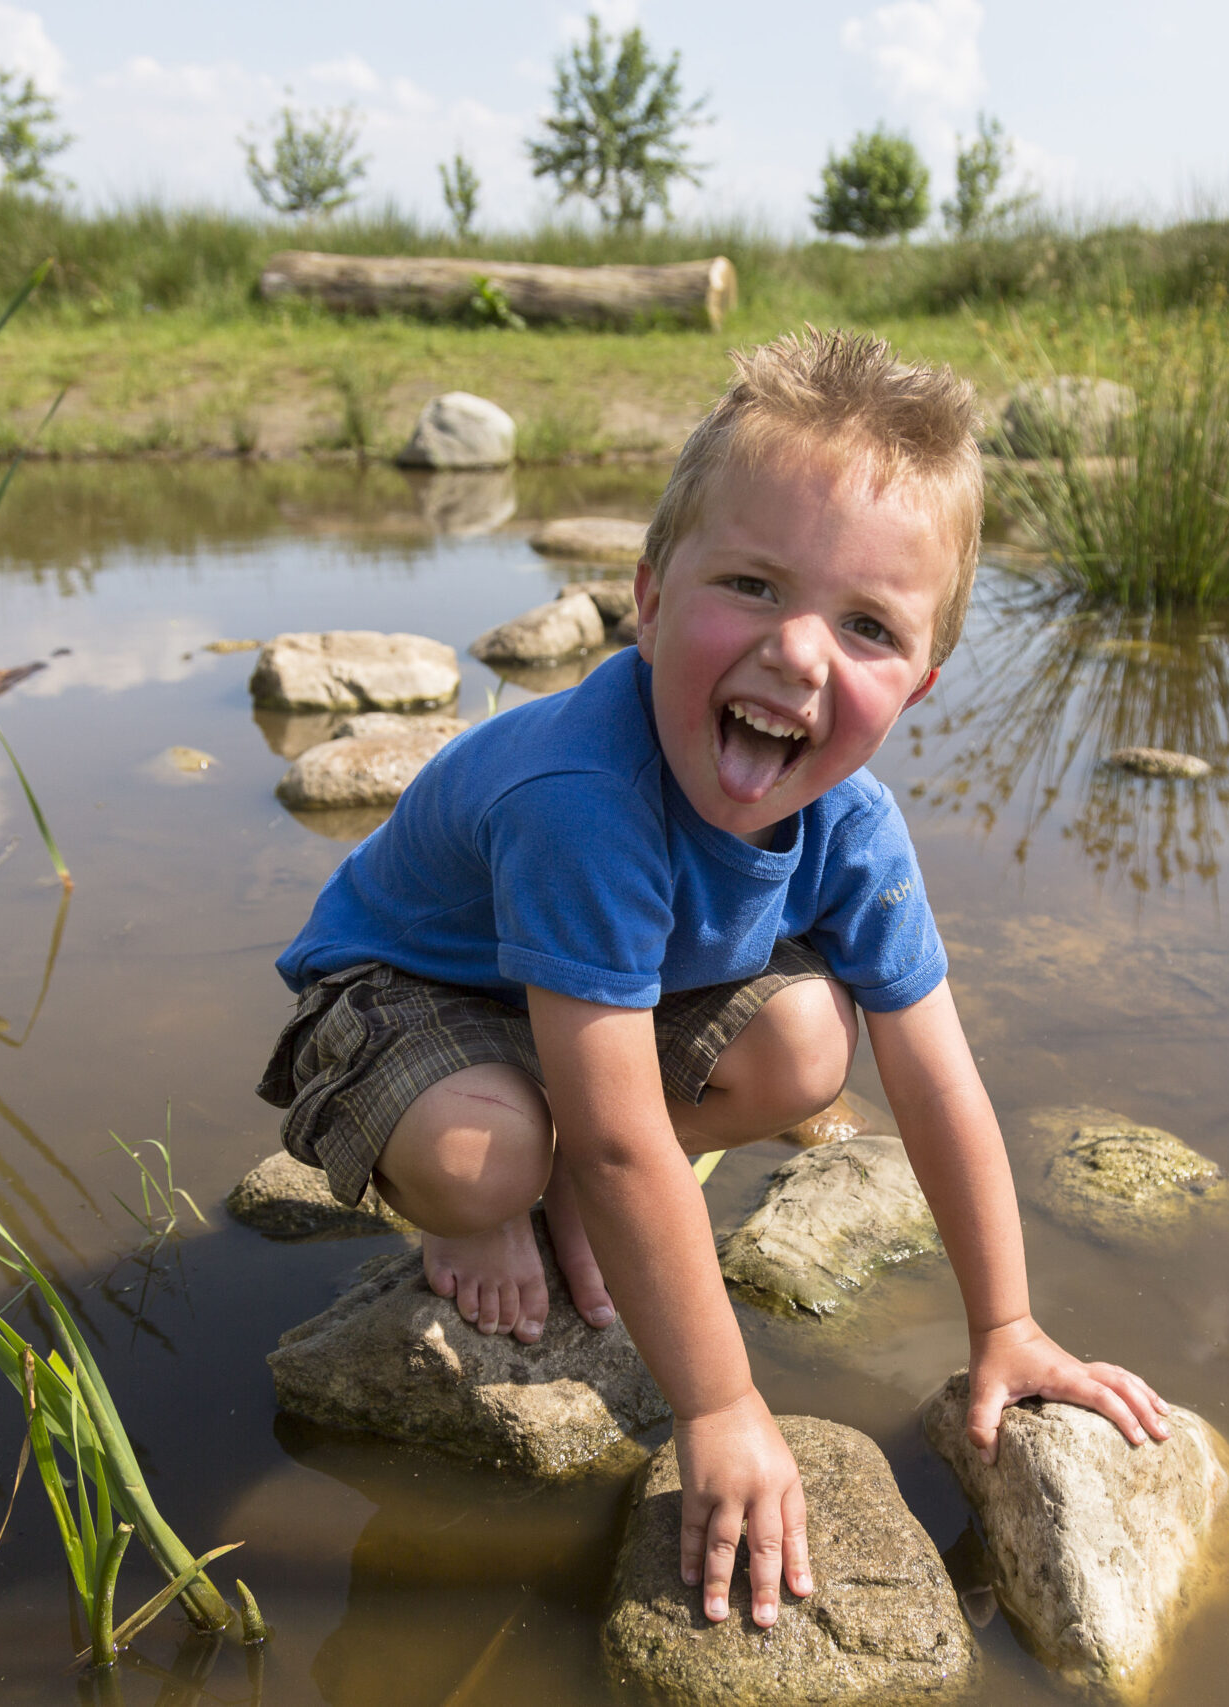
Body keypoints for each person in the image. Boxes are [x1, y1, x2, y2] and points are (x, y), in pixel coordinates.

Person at [261, 329, 1169, 1632]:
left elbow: (939, 1083)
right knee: (485, 1161)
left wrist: (1008, 1327)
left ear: (922, 679)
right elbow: (635, 1144)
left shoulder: (856, 828)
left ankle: (549, 1162)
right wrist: (721, 1405)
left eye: (867, 626)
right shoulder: (586, 797)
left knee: (809, 1047)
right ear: (646, 594)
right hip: (407, 989)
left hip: (581, 1009)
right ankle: (494, 1200)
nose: (800, 654)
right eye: (752, 584)